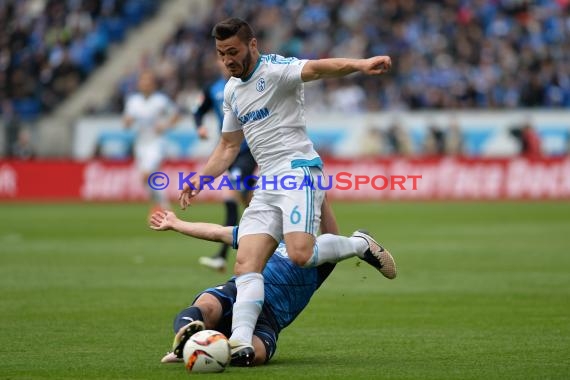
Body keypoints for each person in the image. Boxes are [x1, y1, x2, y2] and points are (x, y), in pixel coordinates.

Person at [178, 18, 394, 365]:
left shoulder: (276, 69)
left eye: (232, 52)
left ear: (252, 45)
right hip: (268, 183)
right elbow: (228, 146)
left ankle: (359, 244)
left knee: (300, 255)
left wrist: (360, 65)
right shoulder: (232, 91)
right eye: (221, 54)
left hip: (298, 171)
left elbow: (321, 69)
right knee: (247, 261)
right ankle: (240, 342)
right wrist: (201, 179)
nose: (227, 60)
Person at [149, 197, 395, 366]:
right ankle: (185, 340)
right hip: (238, 292)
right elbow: (216, 231)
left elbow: (331, 233)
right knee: (208, 305)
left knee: (252, 356)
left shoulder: (316, 253)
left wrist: (320, 195)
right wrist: (176, 223)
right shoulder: (261, 237)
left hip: (269, 318)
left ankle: (207, 346)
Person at [193, 60, 257, 272]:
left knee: (238, 187)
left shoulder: (248, 83)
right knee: (232, 199)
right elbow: (198, 110)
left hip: (249, 149)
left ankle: (267, 237)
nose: (226, 63)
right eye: (221, 58)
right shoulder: (213, 89)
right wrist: (200, 127)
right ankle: (221, 256)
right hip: (229, 151)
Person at [123, 70, 181, 213]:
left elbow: (176, 116)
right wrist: (128, 122)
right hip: (140, 144)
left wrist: (165, 125)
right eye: (143, 82)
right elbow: (126, 121)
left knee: (147, 175)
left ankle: (162, 208)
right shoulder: (133, 101)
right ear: (139, 84)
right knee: (149, 179)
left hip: (156, 143)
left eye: (148, 82)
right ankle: (163, 207)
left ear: (153, 84)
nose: (146, 85)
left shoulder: (160, 100)